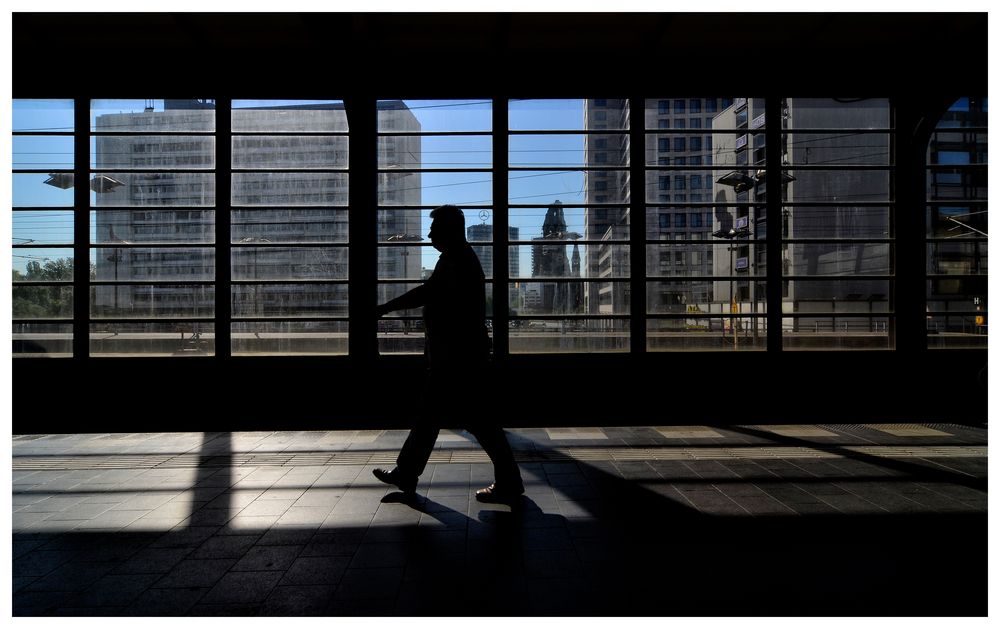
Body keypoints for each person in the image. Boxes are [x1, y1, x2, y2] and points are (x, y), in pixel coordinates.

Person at [373, 205, 524, 504]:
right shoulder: (458, 259)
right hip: (459, 358)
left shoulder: (457, 261)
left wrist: (385, 308)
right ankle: (408, 472)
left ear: (450, 230)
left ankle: (508, 480)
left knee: (473, 421)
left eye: (434, 228)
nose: (429, 234)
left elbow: (427, 293)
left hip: (458, 360)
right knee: (438, 418)